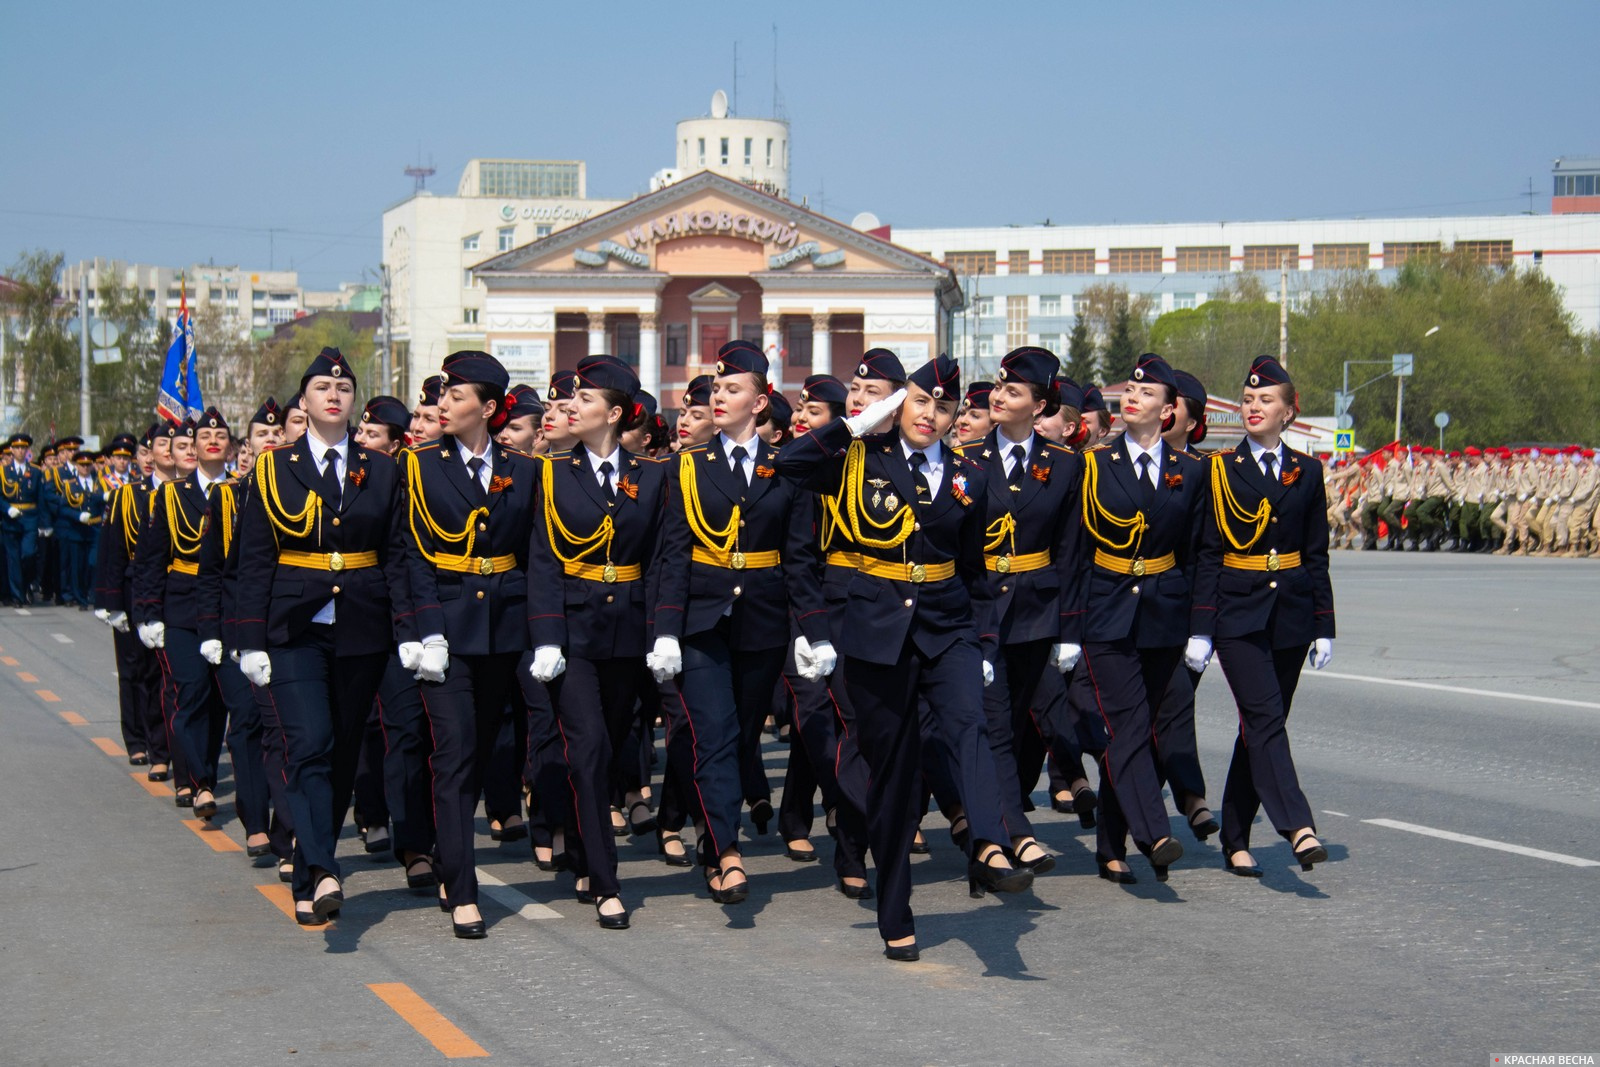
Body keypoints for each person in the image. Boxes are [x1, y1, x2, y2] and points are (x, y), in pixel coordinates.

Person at [778, 353, 1031, 964]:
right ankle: (896, 908)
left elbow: (978, 569)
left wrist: (986, 641)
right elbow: (787, 463)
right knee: (894, 779)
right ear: (903, 405)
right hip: (876, 631)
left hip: (947, 626)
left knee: (971, 723)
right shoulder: (859, 459)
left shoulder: (971, 474)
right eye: (921, 402)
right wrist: (862, 423)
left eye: (944, 407)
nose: (932, 416)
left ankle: (991, 844)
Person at [234, 347, 410, 926]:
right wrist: (251, 639)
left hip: (362, 626)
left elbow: (396, 555)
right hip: (294, 627)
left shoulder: (382, 469)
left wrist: (409, 628)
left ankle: (312, 871)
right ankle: (323, 866)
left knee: (340, 756)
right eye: (321, 388)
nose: (334, 395)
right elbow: (256, 559)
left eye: (343, 388)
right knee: (308, 743)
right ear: (304, 402)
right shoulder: (272, 467)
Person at [650, 340, 805, 904]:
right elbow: (672, 554)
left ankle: (713, 841)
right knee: (711, 734)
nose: (719, 397)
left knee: (738, 737)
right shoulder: (686, 467)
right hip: (700, 622)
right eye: (715, 389)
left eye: (732, 389)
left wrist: (809, 626)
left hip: (762, 621)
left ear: (760, 401)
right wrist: (665, 628)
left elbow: (799, 556)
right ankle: (728, 851)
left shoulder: (787, 468)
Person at [399, 351, 540, 938]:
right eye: (441, 397)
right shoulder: (420, 465)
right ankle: (463, 889)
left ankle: (448, 850)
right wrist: (424, 627)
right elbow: (408, 553)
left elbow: (536, 556)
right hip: (446, 629)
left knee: (481, 752)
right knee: (454, 751)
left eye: (456, 398)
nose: (442, 406)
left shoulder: (524, 468)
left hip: (503, 628)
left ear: (487, 407)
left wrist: (542, 633)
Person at [527, 354, 665, 931]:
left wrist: (664, 634)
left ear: (613, 413)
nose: (568, 408)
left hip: (628, 631)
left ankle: (585, 851)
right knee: (585, 749)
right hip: (574, 633)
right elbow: (541, 560)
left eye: (582, 401)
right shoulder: (550, 473)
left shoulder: (652, 476)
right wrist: (548, 635)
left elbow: (662, 560)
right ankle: (608, 882)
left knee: (609, 748)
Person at [1190, 354, 1333, 878]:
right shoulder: (1221, 470)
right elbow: (1207, 551)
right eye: (1249, 399)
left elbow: (1316, 553)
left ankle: (1234, 836)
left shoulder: (1308, 470)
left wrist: (1324, 624)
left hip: (1292, 611)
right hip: (1238, 611)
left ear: (1289, 412)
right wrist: (1202, 626)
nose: (1254, 406)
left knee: (1260, 726)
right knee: (1265, 718)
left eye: (1265, 400)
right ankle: (1298, 826)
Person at [1071, 354, 1206, 883]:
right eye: (1130, 390)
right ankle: (1154, 833)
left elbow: (1199, 554)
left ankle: (1110, 846)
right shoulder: (1094, 465)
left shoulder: (1191, 472)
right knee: (1126, 723)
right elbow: (1076, 550)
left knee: (1139, 729)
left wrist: (1201, 626)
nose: (1132, 398)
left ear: (1169, 410)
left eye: (1146, 394)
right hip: (1106, 610)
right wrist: (1070, 627)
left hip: (1165, 614)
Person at [952, 346, 1085, 874]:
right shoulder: (966, 458)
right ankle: (1014, 833)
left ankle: (995, 822)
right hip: (980, 608)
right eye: (998, 389)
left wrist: (1070, 629)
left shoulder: (1066, 466)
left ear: (1039, 404)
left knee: (1014, 722)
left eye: (1012, 391)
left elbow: (1072, 551)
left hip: (1037, 608)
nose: (998, 397)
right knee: (994, 724)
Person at [0, 433, 41, 606]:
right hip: (10, 520)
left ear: (27, 450)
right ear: (11, 450)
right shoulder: (4, 472)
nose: (20, 451)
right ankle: (17, 596)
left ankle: (25, 586)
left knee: (28, 555)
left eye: (23, 448)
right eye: (16, 448)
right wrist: (7, 509)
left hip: (29, 519)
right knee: (13, 559)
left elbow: (41, 498)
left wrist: (44, 523)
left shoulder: (35, 472)